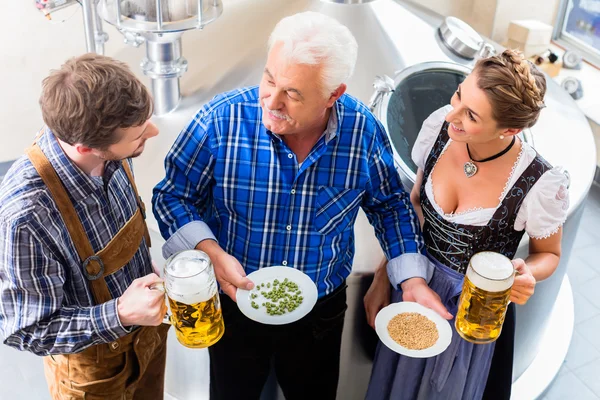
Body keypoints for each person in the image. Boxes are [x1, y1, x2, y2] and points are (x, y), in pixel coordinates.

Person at [152, 11, 440, 400]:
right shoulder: (222, 119)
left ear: (332, 95)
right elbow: (173, 194)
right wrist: (210, 251)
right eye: (269, 79)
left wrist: (412, 278)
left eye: (293, 93)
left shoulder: (362, 132)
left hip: (320, 313)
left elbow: (389, 206)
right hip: (233, 302)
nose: (271, 101)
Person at [364, 49, 569, 400]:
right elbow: (415, 208)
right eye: (459, 94)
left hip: (470, 314)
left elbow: (548, 254)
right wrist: (385, 276)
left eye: (471, 116)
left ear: (509, 129)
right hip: (413, 287)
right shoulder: (441, 129)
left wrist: (528, 273)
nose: (453, 115)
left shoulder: (539, 183)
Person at [0, 54, 167, 400]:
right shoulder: (25, 217)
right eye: (139, 135)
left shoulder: (110, 146)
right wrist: (119, 313)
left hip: (148, 337)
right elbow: (28, 330)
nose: (152, 131)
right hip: (93, 374)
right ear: (86, 147)